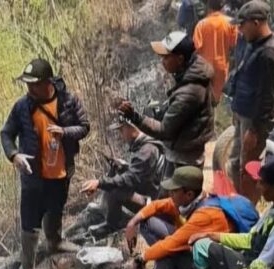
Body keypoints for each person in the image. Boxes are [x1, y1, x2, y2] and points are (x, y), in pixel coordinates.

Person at [0, 58, 90, 269]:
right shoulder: (22, 106)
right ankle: (27, 268)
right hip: (33, 176)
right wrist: (14, 155)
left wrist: (65, 131)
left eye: (33, 84)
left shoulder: (68, 101)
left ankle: (55, 242)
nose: (29, 89)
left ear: (47, 82)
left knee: (56, 208)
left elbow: (84, 126)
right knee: (30, 221)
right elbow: (6, 134)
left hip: (60, 171)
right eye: (27, 85)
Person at [124, 166, 257, 269]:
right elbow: (156, 205)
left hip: (213, 263)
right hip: (188, 241)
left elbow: (171, 244)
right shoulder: (195, 200)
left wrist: (142, 258)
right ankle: (165, 263)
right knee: (147, 223)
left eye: (174, 191)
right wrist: (132, 223)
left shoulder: (205, 215)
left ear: (189, 194)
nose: (170, 194)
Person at [119, 31, 214, 181]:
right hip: (183, 149)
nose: (162, 61)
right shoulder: (191, 74)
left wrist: (134, 117)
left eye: (166, 57)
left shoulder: (189, 92)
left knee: (174, 201)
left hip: (184, 158)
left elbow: (164, 130)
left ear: (180, 59)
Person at [226, 0, 274, 203]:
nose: (240, 30)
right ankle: (240, 203)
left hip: (255, 120)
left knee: (248, 168)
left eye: (243, 25)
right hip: (245, 114)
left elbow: (267, 95)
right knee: (236, 163)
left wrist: (254, 129)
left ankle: (248, 212)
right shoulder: (254, 44)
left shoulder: (269, 53)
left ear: (257, 22)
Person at [80, 115, 164, 238]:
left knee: (115, 188)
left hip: (156, 204)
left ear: (131, 127)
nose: (121, 135)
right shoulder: (147, 143)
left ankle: (112, 226)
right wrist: (125, 167)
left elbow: (130, 179)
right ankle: (110, 219)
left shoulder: (147, 150)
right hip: (153, 194)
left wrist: (99, 183)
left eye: (121, 130)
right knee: (116, 177)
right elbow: (141, 175)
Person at [193, 0, 239, 105]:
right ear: (222, 7)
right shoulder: (231, 23)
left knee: (205, 101)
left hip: (204, 70)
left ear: (208, 7)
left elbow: (196, 49)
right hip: (222, 69)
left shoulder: (201, 25)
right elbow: (234, 44)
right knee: (219, 101)